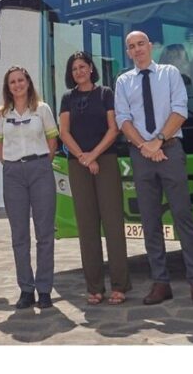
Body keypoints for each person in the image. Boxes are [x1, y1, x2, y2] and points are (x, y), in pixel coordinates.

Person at [114, 31, 193, 307]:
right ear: (128, 52)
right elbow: (123, 119)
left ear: (151, 46)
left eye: (140, 44)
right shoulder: (123, 81)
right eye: (131, 46)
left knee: (183, 217)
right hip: (141, 155)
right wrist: (144, 146)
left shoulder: (170, 73)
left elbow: (180, 111)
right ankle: (160, 283)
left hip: (170, 151)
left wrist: (157, 141)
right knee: (149, 221)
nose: (137, 49)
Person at [58, 51, 131, 305]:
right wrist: (83, 157)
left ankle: (119, 286)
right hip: (78, 164)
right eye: (74, 68)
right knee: (87, 226)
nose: (78, 71)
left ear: (91, 68)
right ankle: (95, 287)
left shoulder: (105, 93)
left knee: (113, 224)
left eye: (82, 66)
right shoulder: (67, 98)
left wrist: (94, 155)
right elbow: (64, 132)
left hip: (106, 161)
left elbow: (114, 128)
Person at [0, 65, 59, 310]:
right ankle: (26, 289)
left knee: (44, 233)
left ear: (28, 82)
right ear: (7, 87)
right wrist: (10, 164)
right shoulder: (1, 114)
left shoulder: (42, 109)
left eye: (21, 80)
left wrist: (42, 164)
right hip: (13, 174)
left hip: (40, 169)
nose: (17, 85)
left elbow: (52, 139)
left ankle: (44, 289)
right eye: (12, 82)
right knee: (19, 235)